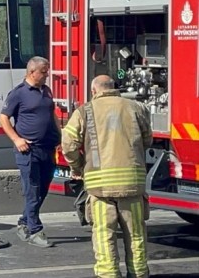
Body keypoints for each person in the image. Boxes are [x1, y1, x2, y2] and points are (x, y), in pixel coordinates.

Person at [61, 75, 152, 278]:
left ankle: (108, 274)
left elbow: (68, 143)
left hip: (100, 188)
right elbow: (147, 140)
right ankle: (138, 274)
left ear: (94, 91)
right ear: (114, 88)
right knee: (136, 234)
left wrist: (77, 167)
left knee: (104, 234)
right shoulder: (137, 108)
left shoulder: (84, 111)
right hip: (132, 184)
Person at [0, 56, 60, 248]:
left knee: (42, 189)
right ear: (32, 72)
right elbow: (3, 118)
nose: (47, 75)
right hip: (29, 150)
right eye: (44, 72)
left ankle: (24, 222)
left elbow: (53, 115)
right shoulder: (19, 93)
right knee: (32, 190)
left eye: (47, 71)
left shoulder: (47, 91)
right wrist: (17, 140)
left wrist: (62, 136)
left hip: (47, 148)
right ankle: (35, 230)